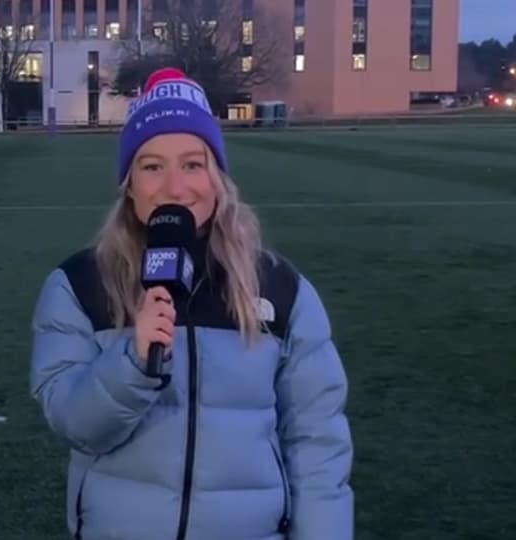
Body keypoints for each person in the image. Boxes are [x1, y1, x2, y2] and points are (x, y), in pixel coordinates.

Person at [29, 68, 354, 540]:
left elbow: (317, 446)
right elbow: (77, 425)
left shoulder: (282, 289)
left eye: (193, 164)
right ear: (129, 183)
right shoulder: (78, 285)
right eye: (152, 166)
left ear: (218, 177)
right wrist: (134, 363)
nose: (175, 188)